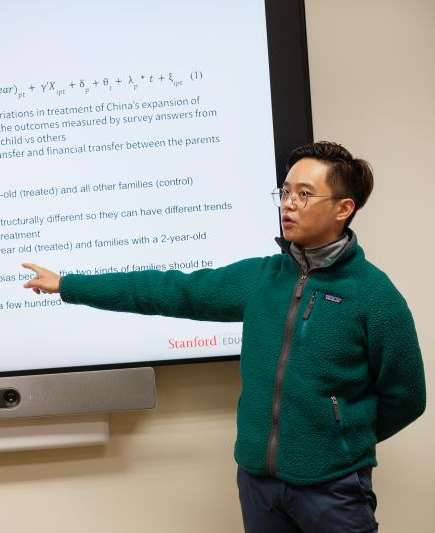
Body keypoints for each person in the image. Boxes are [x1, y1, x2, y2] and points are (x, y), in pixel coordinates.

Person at [21, 141, 425, 533]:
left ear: (343, 208)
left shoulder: (374, 296)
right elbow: (169, 290)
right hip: (257, 483)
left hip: (332, 489)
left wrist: (339, 440)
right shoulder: (262, 279)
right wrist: (69, 285)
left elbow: (407, 397)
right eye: (285, 192)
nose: (288, 204)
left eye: (304, 194)